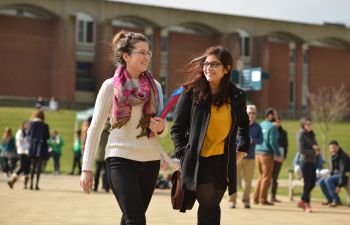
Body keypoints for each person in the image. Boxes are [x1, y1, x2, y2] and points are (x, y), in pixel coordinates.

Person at [80, 30, 167, 225]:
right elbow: (94, 128)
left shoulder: (155, 86)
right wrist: (87, 168)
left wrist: (161, 127)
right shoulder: (110, 86)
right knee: (136, 219)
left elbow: (163, 124)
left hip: (150, 161)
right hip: (120, 159)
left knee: (130, 218)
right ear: (126, 56)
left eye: (148, 53)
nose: (147, 57)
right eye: (141, 52)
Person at [171, 46, 250, 225]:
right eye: (206, 64)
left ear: (227, 69)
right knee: (210, 208)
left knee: (209, 210)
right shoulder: (190, 92)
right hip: (198, 162)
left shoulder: (237, 96)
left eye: (214, 64)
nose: (208, 68)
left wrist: (242, 150)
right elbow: (177, 128)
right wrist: (182, 154)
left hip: (222, 163)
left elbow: (244, 125)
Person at [228, 104, 263, 209]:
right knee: (234, 180)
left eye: (253, 113)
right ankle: (232, 201)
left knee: (248, 182)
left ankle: (246, 201)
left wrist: (252, 140)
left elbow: (261, 140)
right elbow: (231, 138)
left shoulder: (257, 127)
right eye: (249, 112)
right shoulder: (237, 124)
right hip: (237, 156)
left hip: (250, 157)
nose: (251, 115)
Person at [253, 108, 283, 206]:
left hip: (257, 153)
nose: (275, 116)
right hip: (267, 155)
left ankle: (255, 198)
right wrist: (278, 154)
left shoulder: (261, 124)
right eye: (274, 114)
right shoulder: (272, 127)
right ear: (270, 115)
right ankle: (263, 199)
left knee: (261, 176)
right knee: (266, 177)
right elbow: (272, 142)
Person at [296, 117, 319, 212]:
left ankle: (302, 200)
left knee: (313, 183)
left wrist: (318, 149)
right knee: (307, 183)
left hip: (313, 161)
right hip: (305, 162)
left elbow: (316, 146)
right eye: (307, 124)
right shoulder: (301, 134)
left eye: (310, 124)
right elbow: (301, 150)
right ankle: (307, 204)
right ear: (303, 125)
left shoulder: (312, 134)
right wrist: (314, 151)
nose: (309, 126)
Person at [319, 140, 350, 207]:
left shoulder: (343, 156)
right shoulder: (333, 156)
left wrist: (339, 185)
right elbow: (332, 170)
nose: (332, 150)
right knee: (321, 181)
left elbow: (343, 171)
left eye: (334, 147)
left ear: (338, 147)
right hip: (337, 175)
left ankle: (337, 200)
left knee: (328, 180)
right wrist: (329, 175)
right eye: (330, 148)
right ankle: (330, 199)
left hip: (346, 175)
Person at [28, 109, 50, 190]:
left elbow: (29, 134)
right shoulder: (45, 125)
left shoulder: (31, 124)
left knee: (33, 166)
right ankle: (36, 185)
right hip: (41, 147)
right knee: (39, 167)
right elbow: (47, 137)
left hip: (33, 146)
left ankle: (31, 184)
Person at [8, 121, 31, 189]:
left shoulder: (29, 132)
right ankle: (12, 180)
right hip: (22, 152)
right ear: (23, 125)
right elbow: (18, 142)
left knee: (27, 168)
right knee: (22, 166)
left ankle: (25, 184)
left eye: (28, 124)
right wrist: (22, 149)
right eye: (26, 124)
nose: (28, 125)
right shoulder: (20, 132)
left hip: (28, 152)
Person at [271, 116, 288, 202]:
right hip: (270, 155)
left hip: (280, 155)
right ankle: (264, 196)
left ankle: (273, 196)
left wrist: (284, 156)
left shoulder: (283, 132)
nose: (277, 123)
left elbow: (286, 145)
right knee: (268, 176)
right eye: (276, 122)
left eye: (279, 122)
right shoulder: (271, 130)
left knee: (275, 177)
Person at [93, 121, 110, 192]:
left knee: (97, 172)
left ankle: (96, 187)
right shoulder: (110, 133)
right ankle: (106, 187)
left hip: (99, 155)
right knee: (106, 172)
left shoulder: (100, 133)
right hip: (106, 155)